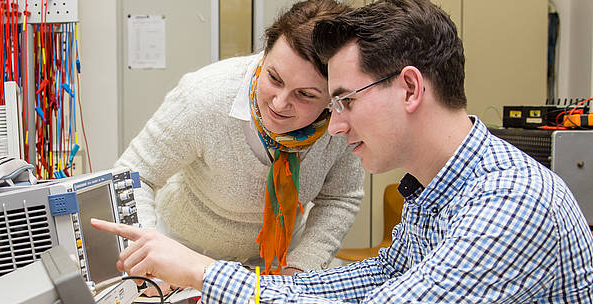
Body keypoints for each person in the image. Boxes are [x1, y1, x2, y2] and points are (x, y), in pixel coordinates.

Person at [93, 0, 593, 302]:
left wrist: (207, 275)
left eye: (344, 101)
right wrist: (219, 279)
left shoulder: (511, 202)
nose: (337, 126)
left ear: (411, 89)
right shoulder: (436, 188)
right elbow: (373, 279)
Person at [114, 0, 364, 279]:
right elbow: (134, 174)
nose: (280, 104)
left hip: (275, 266)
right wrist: (146, 259)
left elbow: (339, 198)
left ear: (333, 97)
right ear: (264, 55)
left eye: (305, 95)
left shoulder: (341, 122)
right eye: (274, 78)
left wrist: (299, 269)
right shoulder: (205, 97)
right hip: (184, 257)